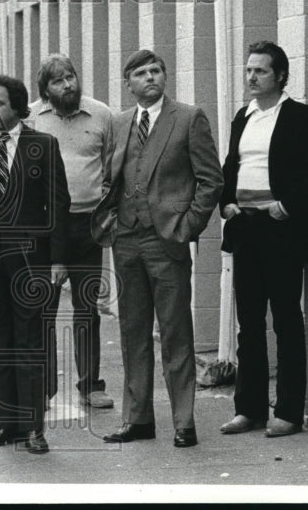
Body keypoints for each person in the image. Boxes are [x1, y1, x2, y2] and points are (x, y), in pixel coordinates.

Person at [91, 50, 223, 448]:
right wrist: (111, 217)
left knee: (175, 332)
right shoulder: (117, 123)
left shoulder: (188, 117)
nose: (150, 78)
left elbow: (211, 180)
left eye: (156, 71)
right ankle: (138, 419)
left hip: (167, 240)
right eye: (141, 74)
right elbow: (109, 176)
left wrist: (186, 226)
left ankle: (184, 421)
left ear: (164, 77)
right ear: (128, 83)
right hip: (126, 241)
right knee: (132, 332)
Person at [218, 41, 308, 438]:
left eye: (260, 71)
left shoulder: (303, 117)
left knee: (286, 319)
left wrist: (287, 205)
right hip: (246, 228)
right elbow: (231, 166)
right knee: (248, 323)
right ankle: (248, 409)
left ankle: (287, 412)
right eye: (249, 70)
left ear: (280, 76)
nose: (252, 77)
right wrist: (226, 204)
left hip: (281, 228)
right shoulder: (243, 117)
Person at [0, 75, 70, 455]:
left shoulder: (43, 145)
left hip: (32, 260)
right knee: (0, 342)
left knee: (30, 342)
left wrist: (57, 258)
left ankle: (34, 427)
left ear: (18, 107)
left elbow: (57, 205)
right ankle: (8, 424)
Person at [29, 54, 115, 410]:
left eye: (71, 77)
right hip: (47, 227)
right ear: (45, 90)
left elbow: (112, 165)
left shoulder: (101, 115)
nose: (68, 85)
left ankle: (90, 384)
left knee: (87, 308)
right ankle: (44, 386)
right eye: (59, 81)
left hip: (87, 224)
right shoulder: (31, 117)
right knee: (42, 308)